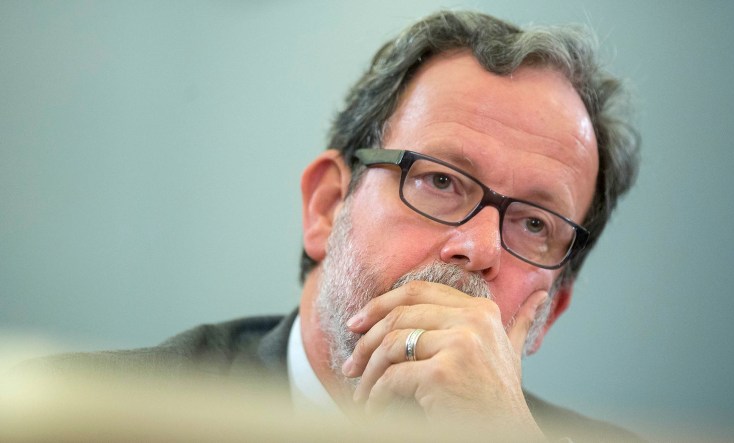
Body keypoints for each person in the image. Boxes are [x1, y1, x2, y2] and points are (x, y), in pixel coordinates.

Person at [11, 10, 640, 441]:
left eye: (534, 223)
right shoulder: (78, 417)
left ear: (550, 310)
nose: (476, 247)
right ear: (327, 207)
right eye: (440, 180)